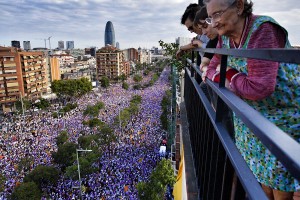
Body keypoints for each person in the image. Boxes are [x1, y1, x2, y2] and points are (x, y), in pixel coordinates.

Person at [202, 0, 300, 199]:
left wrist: (228, 72)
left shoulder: (263, 29)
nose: (214, 23)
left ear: (239, 6)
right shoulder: (225, 38)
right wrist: (229, 75)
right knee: (262, 183)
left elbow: (258, 88)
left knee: (280, 186)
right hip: (250, 120)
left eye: (218, 14)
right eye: (210, 17)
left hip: (280, 120)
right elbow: (210, 69)